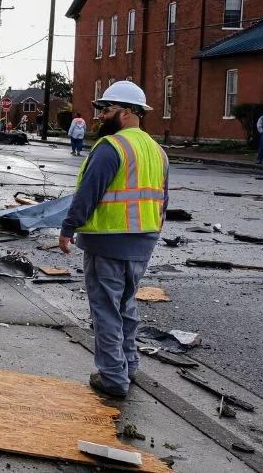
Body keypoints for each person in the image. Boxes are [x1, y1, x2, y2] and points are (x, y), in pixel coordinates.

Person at [58, 80, 168, 400]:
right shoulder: (156, 150)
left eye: (106, 110)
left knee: (105, 310)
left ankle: (113, 378)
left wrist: (68, 228)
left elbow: (88, 193)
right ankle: (129, 365)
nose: (101, 116)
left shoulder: (112, 147)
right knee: (125, 306)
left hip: (108, 241)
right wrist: (152, 234)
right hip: (143, 241)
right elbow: (164, 199)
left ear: (126, 113)